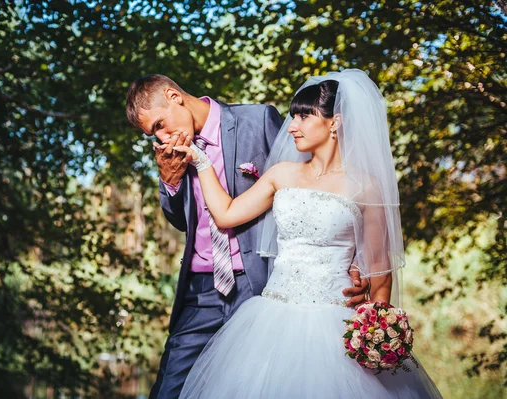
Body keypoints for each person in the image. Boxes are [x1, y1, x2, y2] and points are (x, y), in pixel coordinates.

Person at [173, 69, 442, 398]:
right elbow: (227, 214)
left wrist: (376, 334)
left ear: (334, 122)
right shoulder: (282, 174)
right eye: (292, 116)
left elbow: (381, 278)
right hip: (271, 319)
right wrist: (201, 162)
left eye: (303, 116)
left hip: (336, 321)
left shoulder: (366, 186)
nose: (291, 126)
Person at [125, 74, 371, 398]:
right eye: (152, 134)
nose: (161, 137)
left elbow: (315, 190)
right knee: (169, 389)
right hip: (202, 289)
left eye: (159, 124)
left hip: (259, 286)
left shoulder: (257, 120)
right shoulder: (171, 153)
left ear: (174, 96)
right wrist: (169, 182)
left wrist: (355, 260)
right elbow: (180, 220)